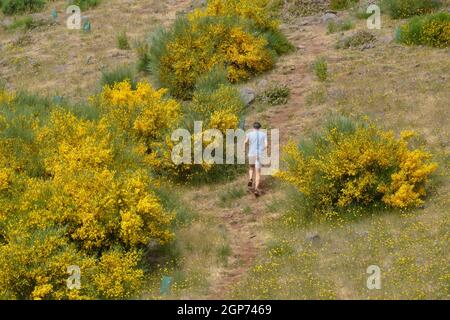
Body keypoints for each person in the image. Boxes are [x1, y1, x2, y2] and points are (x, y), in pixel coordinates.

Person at [244, 122, 268, 196]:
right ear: (260, 128)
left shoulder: (249, 134)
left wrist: (244, 150)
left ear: (253, 127)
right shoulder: (263, 135)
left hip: (251, 154)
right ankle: (256, 189)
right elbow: (266, 145)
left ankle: (251, 179)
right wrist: (264, 150)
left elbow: (245, 142)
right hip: (259, 155)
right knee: (258, 173)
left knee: (251, 168)